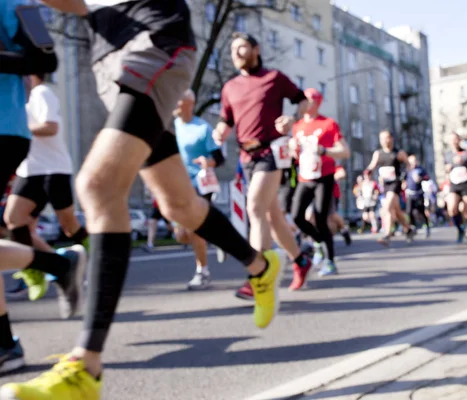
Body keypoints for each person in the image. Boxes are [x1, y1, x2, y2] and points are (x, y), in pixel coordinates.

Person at [1, 2, 284, 398]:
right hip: (109, 56)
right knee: (178, 204)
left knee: (99, 186)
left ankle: (86, 368)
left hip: (154, 37)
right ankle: (260, 265)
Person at [0, 0, 86, 375]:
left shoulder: (9, 5)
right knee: (12, 220)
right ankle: (57, 262)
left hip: (5, 131)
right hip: (28, 159)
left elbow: (45, 61)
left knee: (66, 225)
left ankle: (5, 345)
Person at [214, 32, 312, 295]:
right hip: (246, 156)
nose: (236, 53)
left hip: (272, 151)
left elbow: (302, 100)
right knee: (272, 217)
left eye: (242, 48)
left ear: (256, 49)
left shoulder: (274, 78)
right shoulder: (230, 87)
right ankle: (301, 260)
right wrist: (220, 130)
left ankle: (259, 275)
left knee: (255, 207)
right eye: (233, 49)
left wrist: (293, 119)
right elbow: (226, 119)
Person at [5, 73, 88, 300]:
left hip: (53, 169)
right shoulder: (20, 101)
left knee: (69, 226)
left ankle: (96, 260)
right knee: (13, 220)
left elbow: (50, 128)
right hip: (29, 170)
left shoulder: (43, 93)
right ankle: (40, 269)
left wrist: (20, 127)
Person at [289, 88, 350, 280]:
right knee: (297, 216)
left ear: (315, 102)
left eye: (306, 100)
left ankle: (330, 261)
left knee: (321, 218)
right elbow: (295, 154)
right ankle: (317, 242)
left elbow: (344, 151)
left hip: (324, 176)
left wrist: (324, 151)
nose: (302, 104)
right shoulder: (297, 126)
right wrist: (291, 149)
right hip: (304, 177)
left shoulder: (328, 124)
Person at [173, 89, 226, 290]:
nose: (174, 104)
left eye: (177, 100)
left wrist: (207, 161)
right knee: (181, 235)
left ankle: (202, 272)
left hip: (200, 183)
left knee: (195, 229)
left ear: (188, 103)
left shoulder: (202, 128)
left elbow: (219, 159)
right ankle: (222, 238)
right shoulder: (173, 126)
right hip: (178, 184)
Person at [365, 130, 415, 246]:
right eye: (382, 138)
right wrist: (368, 172)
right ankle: (408, 229)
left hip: (395, 183)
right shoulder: (378, 153)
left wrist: (405, 178)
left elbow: (408, 165)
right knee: (396, 211)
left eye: (387, 138)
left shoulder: (399, 153)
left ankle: (387, 235)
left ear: (392, 139)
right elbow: (372, 165)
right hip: (385, 185)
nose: (385, 141)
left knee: (386, 207)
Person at [444, 132, 467, 243]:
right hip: (454, 184)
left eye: (455, 139)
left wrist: (465, 162)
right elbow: (446, 168)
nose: (453, 141)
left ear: (459, 140)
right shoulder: (448, 154)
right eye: (451, 139)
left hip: (466, 184)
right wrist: (448, 168)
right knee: (452, 208)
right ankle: (460, 229)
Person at [405, 154, 431, 238]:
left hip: (419, 194)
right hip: (410, 194)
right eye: (410, 162)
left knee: (421, 212)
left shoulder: (420, 169)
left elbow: (427, 177)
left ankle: (426, 227)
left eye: (414, 161)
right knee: (409, 212)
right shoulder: (407, 170)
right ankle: (413, 227)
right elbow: (402, 178)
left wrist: (421, 178)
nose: (412, 163)